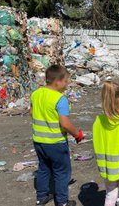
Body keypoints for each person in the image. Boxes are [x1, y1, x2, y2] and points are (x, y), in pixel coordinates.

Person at [31, 65, 84, 206]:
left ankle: (41, 197)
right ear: (58, 81)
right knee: (62, 172)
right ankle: (62, 202)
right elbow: (65, 124)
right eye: (66, 81)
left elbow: (32, 112)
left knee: (43, 168)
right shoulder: (60, 99)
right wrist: (77, 135)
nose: (67, 84)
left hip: (38, 141)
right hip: (56, 142)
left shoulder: (36, 94)